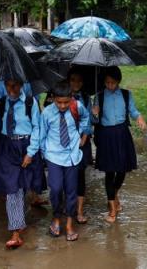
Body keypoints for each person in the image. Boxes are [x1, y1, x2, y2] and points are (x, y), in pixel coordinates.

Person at [29, 81, 89, 242]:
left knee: (71, 191)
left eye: (66, 102)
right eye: (59, 102)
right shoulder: (47, 113)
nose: (62, 106)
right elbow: (42, 135)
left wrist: (81, 134)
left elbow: (86, 118)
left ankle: (69, 224)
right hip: (53, 156)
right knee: (55, 189)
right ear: (53, 99)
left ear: (71, 98)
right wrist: (43, 154)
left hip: (72, 156)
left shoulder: (77, 107)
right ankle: (56, 217)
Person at [0, 78, 43, 250]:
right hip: (7, 146)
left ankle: (19, 220)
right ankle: (15, 233)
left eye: (14, 85)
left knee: (24, 185)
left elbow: (37, 127)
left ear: (22, 85)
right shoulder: (0, 103)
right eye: (8, 85)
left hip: (26, 144)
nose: (11, 89)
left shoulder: (30, 102)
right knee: (12, 188)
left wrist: (30, 152)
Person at [92, 66, 147, 223]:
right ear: (103, 81)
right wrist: (94, 113)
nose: (110, 85)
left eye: (113, 82)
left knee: (122, 169)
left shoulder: (126, 94)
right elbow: (93, 119)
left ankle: (114, 194)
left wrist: (140, 118)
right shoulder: (99, 96)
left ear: (118, 81)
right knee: (110, 171)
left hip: (122, 134)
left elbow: (133, 111)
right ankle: (112, 210)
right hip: (106, 135)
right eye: (107, 82)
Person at [67, 68, 93, 223]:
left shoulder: (86, 98)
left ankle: (79, 210)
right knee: (67, 174)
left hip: (82, 142)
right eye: (73, 80)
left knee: (80, 175)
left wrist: (84, 137)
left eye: (79, 80)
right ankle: (68, 207)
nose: (76, 83)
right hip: (65, 143)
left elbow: (89, 120)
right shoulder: (62, 96)